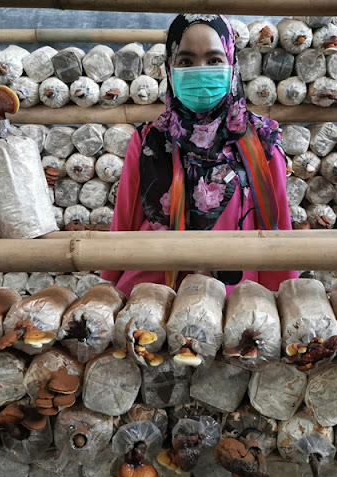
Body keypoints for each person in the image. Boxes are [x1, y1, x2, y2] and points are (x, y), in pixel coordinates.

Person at [101, 14, 297, 297]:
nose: (200, 71)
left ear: (232, 64)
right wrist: (107, 290)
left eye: (214, 60)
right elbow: (124, 223)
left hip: (236, 300)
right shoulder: (149, 141)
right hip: (153, 297)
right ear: (170, 66)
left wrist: (281, 297)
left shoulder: (262, 140)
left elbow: (276, 226)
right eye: (186, 61)